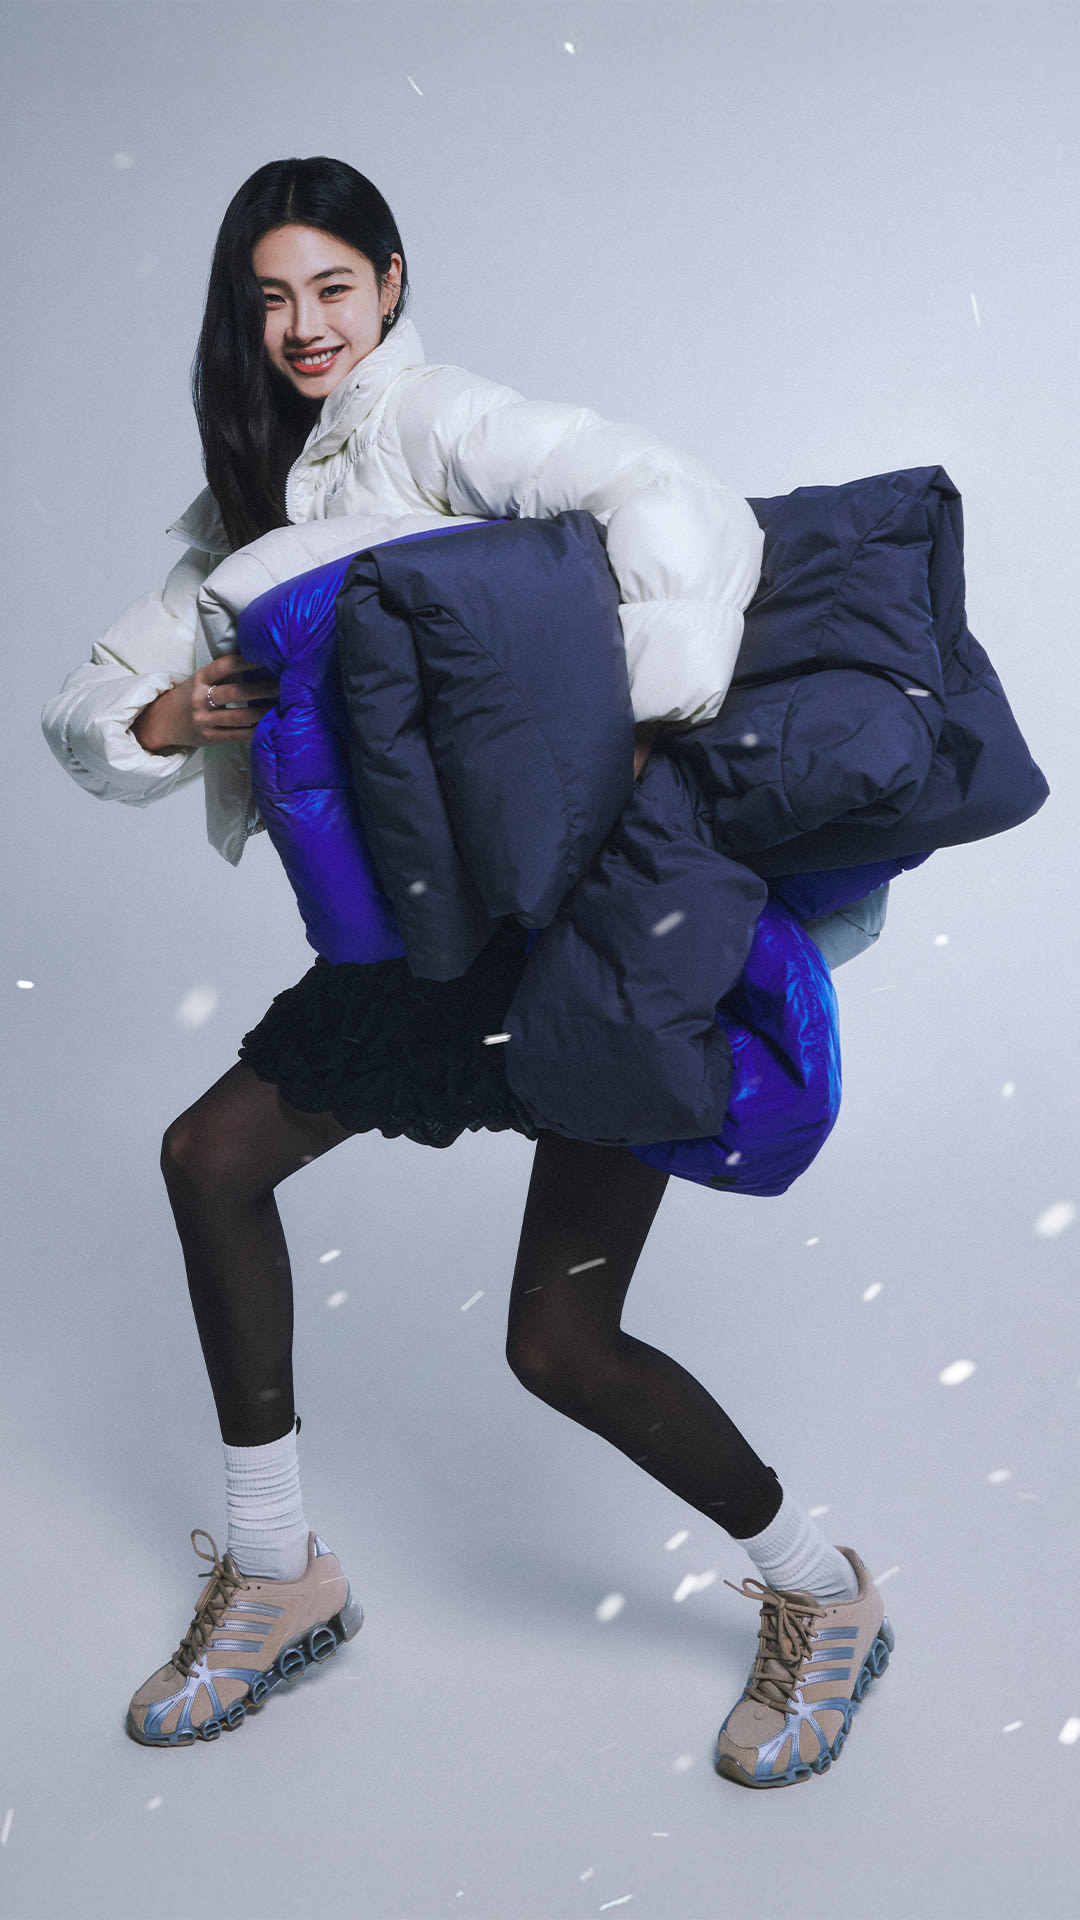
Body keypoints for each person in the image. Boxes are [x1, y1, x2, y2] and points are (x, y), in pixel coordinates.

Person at [41, 156, 892, 1782]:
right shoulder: (244, 508)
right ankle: (281, 1572)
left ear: (393, 284)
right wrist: (158, 722)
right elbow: (89, 703)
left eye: (333, 289)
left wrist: (623, 727)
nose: (304, 326)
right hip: (421, 955)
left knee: (558, 1346)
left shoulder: (446, 426)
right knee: (210, 1161)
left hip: (572, 935)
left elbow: (684, 507)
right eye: (272, 297)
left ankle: (822, 1594)